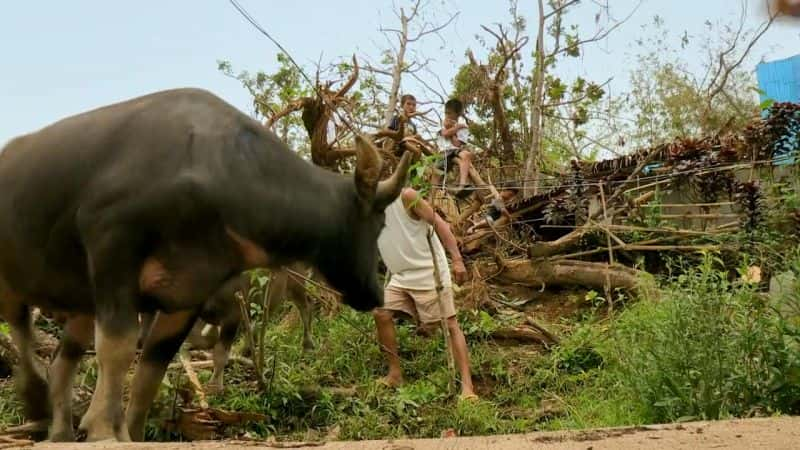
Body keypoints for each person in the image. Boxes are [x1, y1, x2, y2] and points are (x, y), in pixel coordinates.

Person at [374, 186, 478, 401]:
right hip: (400, 274)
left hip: (430, 270)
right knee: (381, 313)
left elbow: (439, 224)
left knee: (449, 325)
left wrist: (457, 260)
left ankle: (467, 387)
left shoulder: (406, 196)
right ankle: (395, 374)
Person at [434, 99, 474, 199]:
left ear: (457, 114)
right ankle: (436, 194)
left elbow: (456, 144)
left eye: (449, 113)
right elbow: (444, 133)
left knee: (466, 155)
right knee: (436, 178)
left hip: (454, 151)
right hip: (442, 153)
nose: (447, 115)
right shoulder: (443, 123)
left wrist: (453, 130)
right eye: (446, 113)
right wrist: (456, 128)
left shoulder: (464, 128)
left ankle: (462, 185)